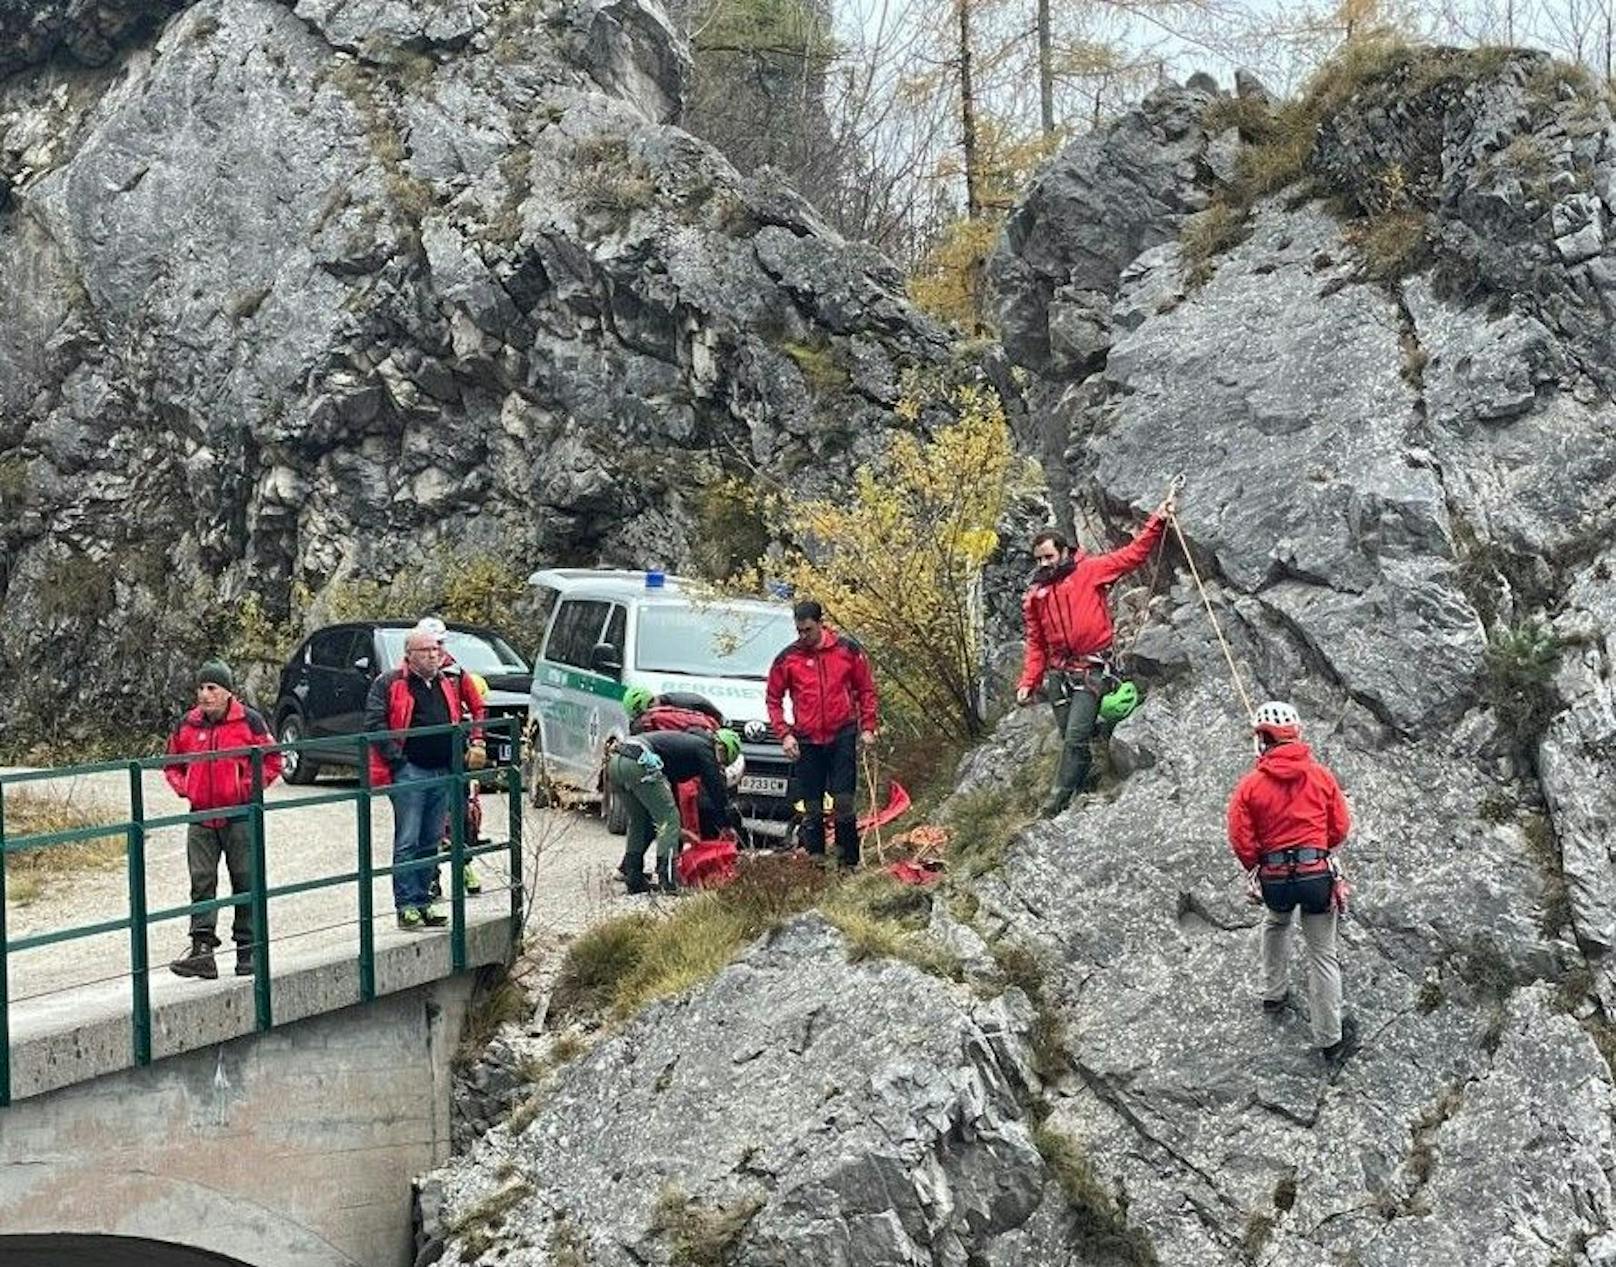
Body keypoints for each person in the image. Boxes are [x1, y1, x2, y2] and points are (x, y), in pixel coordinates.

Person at [1016, 490, 1175, 818]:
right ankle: (1088, 777)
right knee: (1071, 734)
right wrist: (1028, 682)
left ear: (1064, 552)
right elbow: (1036, 642)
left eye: (1049, 557)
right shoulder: (1036, 595)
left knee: (1074, 736)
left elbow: (1132, 555)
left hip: (1092, 669)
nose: (1044, 564)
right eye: (1039, 560)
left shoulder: (1090, 570)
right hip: (1060, 673)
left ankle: (1057, 800)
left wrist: (1157, 520)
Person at [1227, 700, 1355, 1067]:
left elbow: (1240, 837)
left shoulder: (1251, 786)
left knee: (1276, 921)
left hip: (1276, 880)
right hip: (1316, 876)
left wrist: (1256, 866)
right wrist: (1319, 849)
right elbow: (1340, 826)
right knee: (1322, 954)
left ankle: (1273, 991)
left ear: (1262, 740)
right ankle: (1330, 1040)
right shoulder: (1321, 776)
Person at [163, 660, 283, 980]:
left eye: (212, 688)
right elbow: (172, 763)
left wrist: (247, 788)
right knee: (201, 881)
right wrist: (186, 788)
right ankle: (202, 951)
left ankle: (248, 951)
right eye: (201, 688)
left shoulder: (249, 721)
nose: (204, 694)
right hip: (202, 815)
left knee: (245, 879)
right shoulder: (187, 724)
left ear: (227, 691)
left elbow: (272, 759)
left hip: (239, 814)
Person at [365, 629, 472, 930]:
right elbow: (374, 723)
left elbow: (456, 718)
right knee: (408, 839)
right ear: (409, 654)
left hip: (441, 769)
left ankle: (424, 900)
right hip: (411, 770)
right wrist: (397, 759)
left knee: (431, 839)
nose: (432, 655)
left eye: (435, 650)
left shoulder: (443, 683)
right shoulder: (389, 682)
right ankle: (406, 905)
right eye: (425, 650)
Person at [765, 600, 878, 869]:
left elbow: (866, 690)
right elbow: (773, 699)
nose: (803, 636)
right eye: (799, 631)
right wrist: (785, 734)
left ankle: (848, 863)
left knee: (844, 801)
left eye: (808, 630)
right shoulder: (787, 658)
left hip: (842, 733)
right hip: (806, 738)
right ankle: (815, 865)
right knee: (811, 807)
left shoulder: (847, 650)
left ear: (820, 624)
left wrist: (868, 728)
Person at [606, 728, 741, 894]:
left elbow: (670, 797)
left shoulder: (682, 747)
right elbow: (716, 790)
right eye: (723, 760)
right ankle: (668, 880)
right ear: (721, 747)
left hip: (617, 761)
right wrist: (726, 824)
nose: (718, 765)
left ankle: (631, 875)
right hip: (640, 761)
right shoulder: (706, 748)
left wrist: (679, 831)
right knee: (668, 819)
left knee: (641, 820)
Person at [414, 617, 485, 899]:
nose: (436, 651)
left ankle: (465, 866)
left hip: (455, 752)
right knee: (427, 820)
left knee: (462, 815)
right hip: (422, 755)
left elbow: (478, 707)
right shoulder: (407, 675)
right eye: (432, 645)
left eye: (440, 644)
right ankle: (431, 878)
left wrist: (478, 740)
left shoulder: (456, 673)